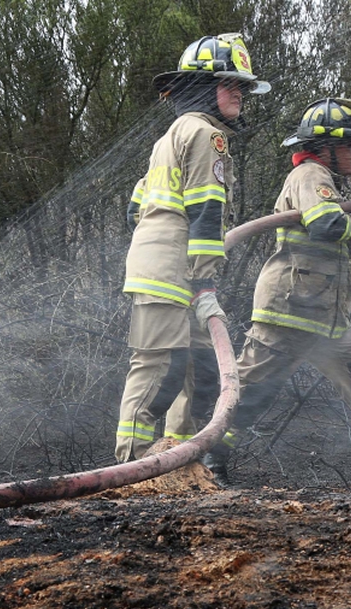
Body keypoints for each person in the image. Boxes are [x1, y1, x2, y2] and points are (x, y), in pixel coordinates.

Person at [202, 97, 351, 488]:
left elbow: (349, 244)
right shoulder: (310, 175)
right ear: (325, 148)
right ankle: (211, 463)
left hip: (326, 318)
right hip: (290, 311)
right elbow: (327, 226)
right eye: (350, 146)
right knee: (254, 388)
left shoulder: (328, 184)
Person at [114, 34, 270, 462]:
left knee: (201, 373)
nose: (239, 92)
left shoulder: (171, 136)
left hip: (172, 266)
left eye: (240, 85)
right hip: (173, 274)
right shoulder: (203, 134)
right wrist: (203, 282)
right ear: (203, 88)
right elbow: (205, 210)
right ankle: (132, 467)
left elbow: (134, 210)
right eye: (229, 83)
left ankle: (180, 462)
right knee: (160, 369)